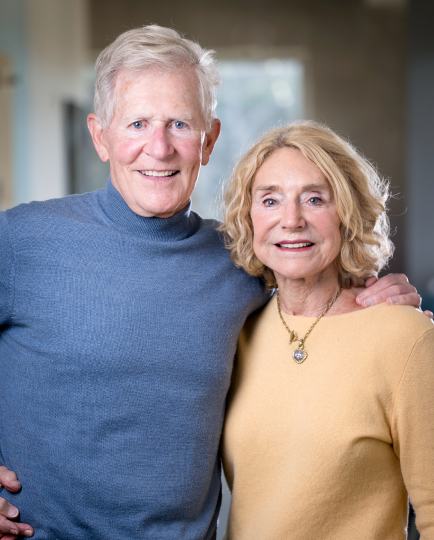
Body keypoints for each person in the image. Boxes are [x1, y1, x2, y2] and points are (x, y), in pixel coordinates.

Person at [0, 27, 424, 540]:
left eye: (179, 123)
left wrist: (383, 297)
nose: (158, 147)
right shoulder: (22, 240)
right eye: (137, 123)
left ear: (209, 139)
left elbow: (313, 270)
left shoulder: (238, 260)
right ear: (100, 135)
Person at [220, 121, 434, 539]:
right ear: (248, 218)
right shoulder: (237, 333)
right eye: (270, 200)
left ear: (347, 213)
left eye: (314, 199)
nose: (291, 220)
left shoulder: (404, 337)